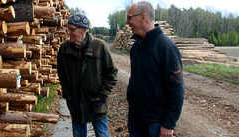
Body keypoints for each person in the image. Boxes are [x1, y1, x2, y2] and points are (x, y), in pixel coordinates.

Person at [125, 1, 185, 137]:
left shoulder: (167, 48)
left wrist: (169, 124)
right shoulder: (136, 48)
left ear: (143, 17)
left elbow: (176, 89)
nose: (127, 23)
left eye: (129, 18)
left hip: (155, 123)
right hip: (135, 119)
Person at [57, 12, 118, 137]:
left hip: (98, 104)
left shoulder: (100, 46)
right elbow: (61, 73)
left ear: (83, 30)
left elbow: (112, 73)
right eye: (67, 29)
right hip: (76, 104)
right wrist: (67, 93)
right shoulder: (64, 49)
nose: (67, 32)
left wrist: (101, 95)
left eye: (71, 29)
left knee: (102, 134)